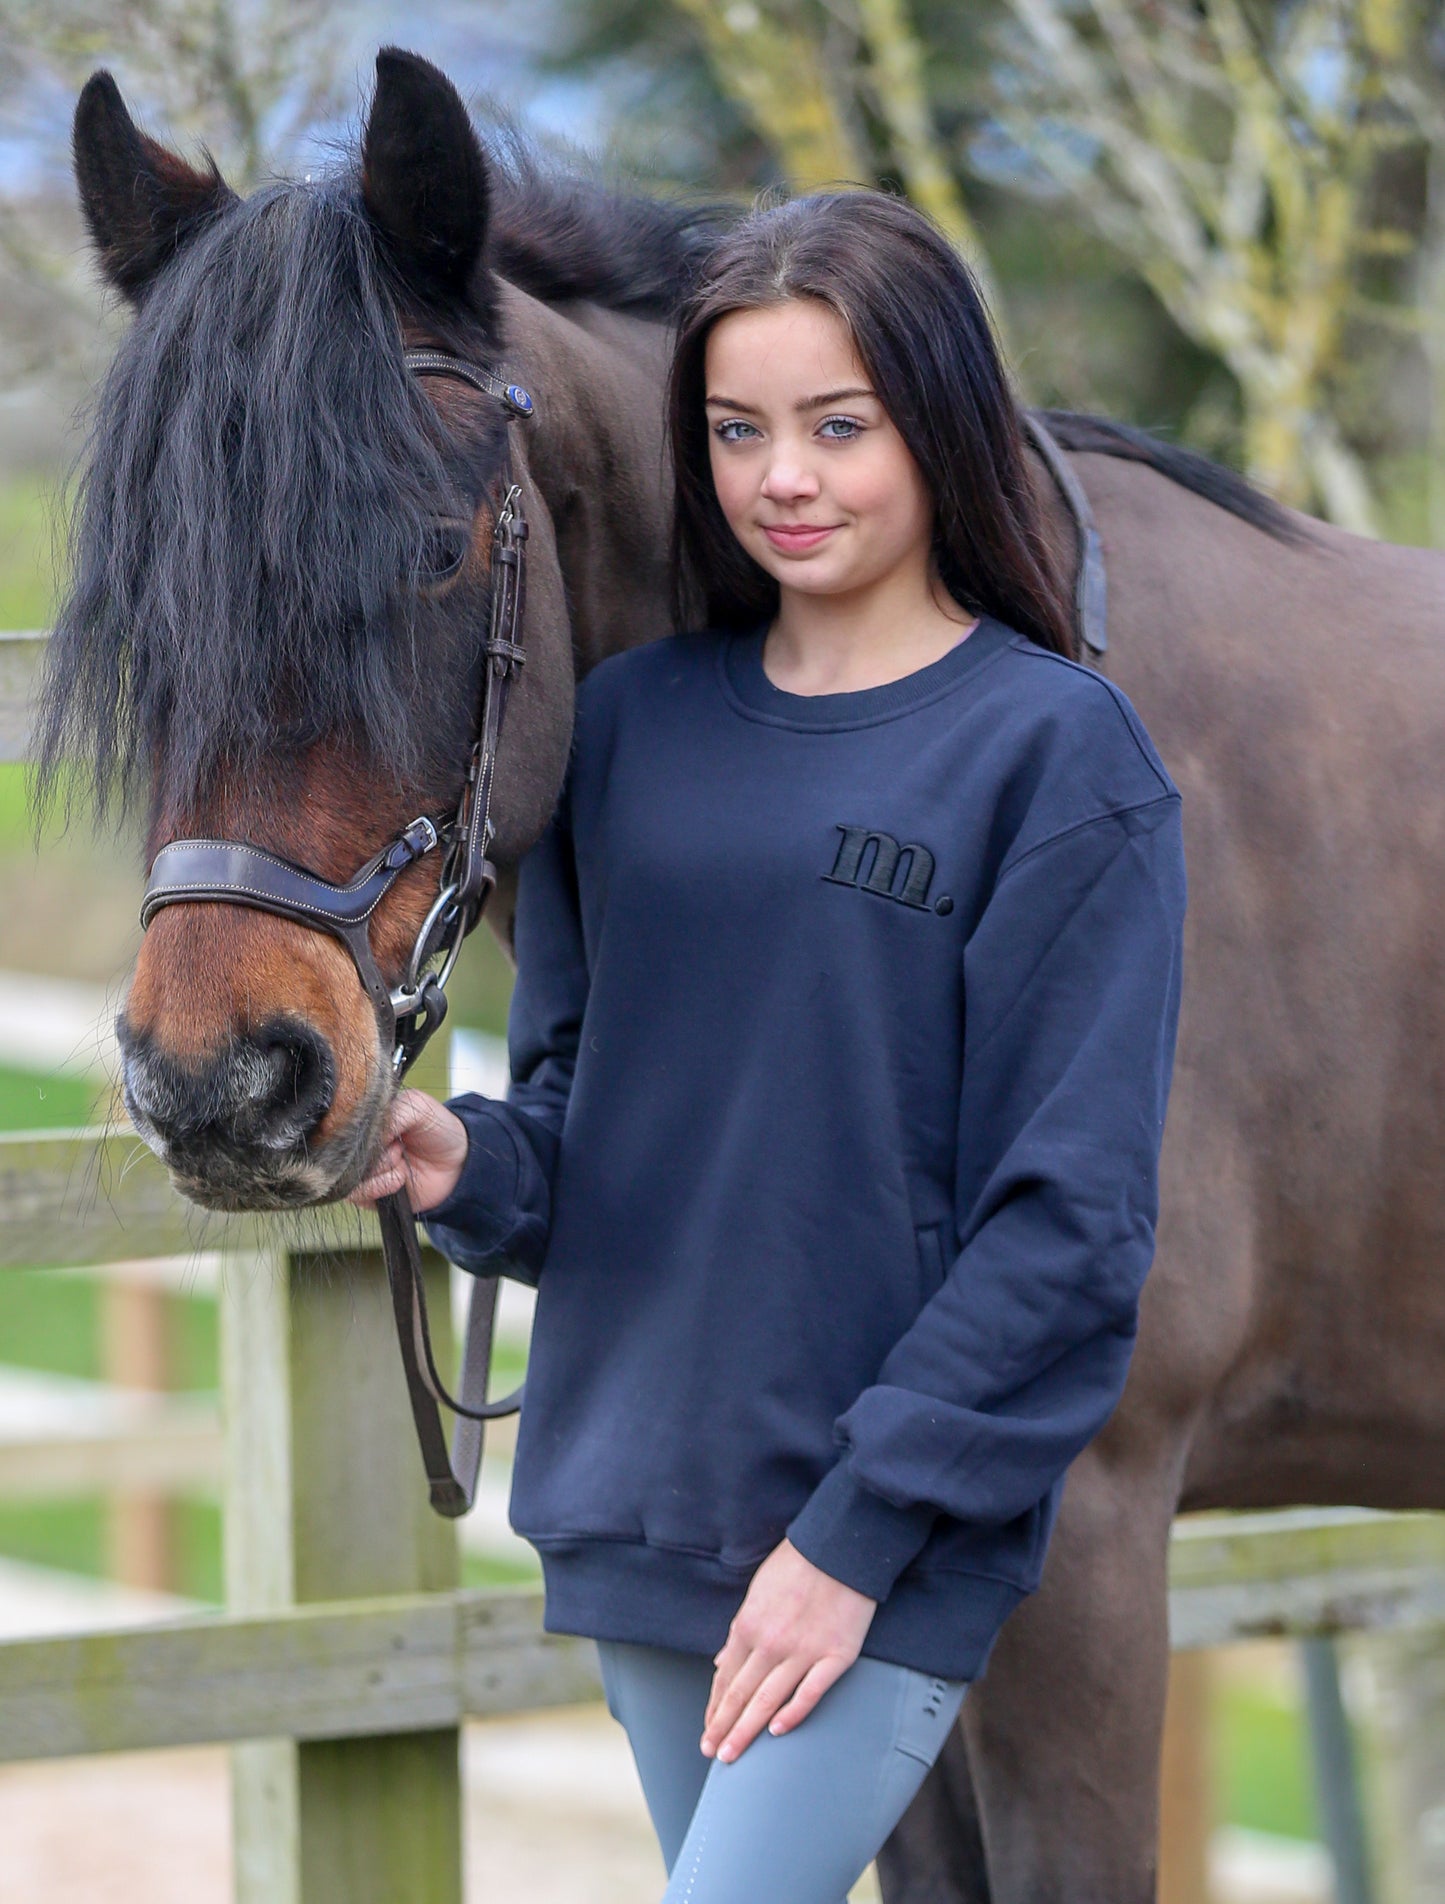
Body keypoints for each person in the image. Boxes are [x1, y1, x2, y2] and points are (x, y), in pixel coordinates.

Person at [350, 189, 1186, 1903]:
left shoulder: (1056, 756)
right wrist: (469, 1162)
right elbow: (602, 1115)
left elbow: (1070, 1224)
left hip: (867, 1545)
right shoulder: (633, 730)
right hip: (635, 1502)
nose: (780, 477)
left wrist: (848, 1541)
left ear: (938, 426)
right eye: (737, 431)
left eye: (836, 427)